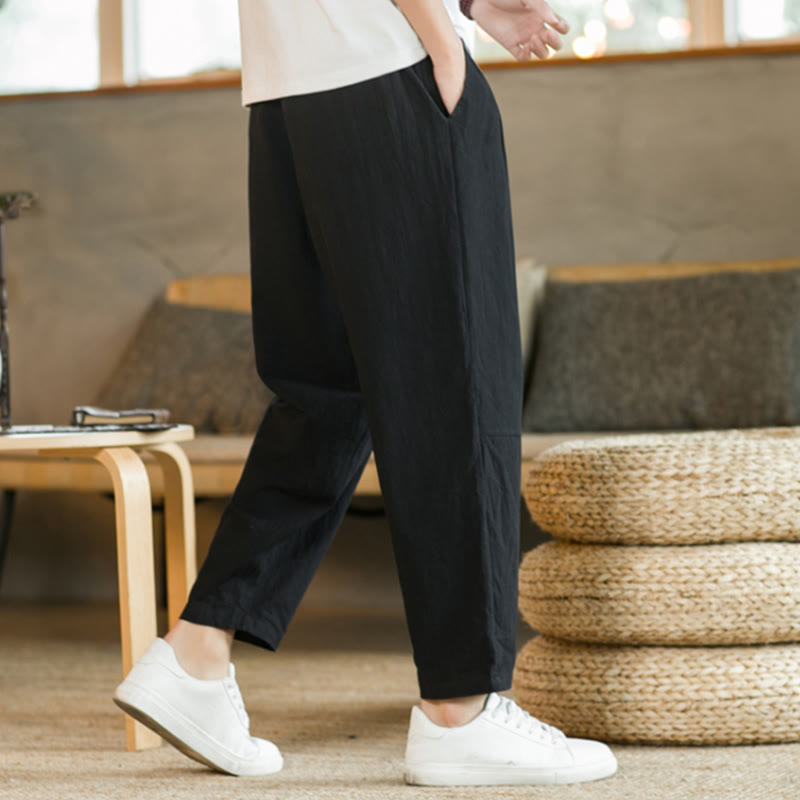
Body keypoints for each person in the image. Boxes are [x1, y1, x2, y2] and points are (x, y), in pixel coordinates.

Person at [113, 0, 618, 786]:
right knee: (455, 389)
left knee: (329, 394)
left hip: (289, 94)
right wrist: (438, 42)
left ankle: (198, 653)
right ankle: (463, 711)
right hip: (391, 72)